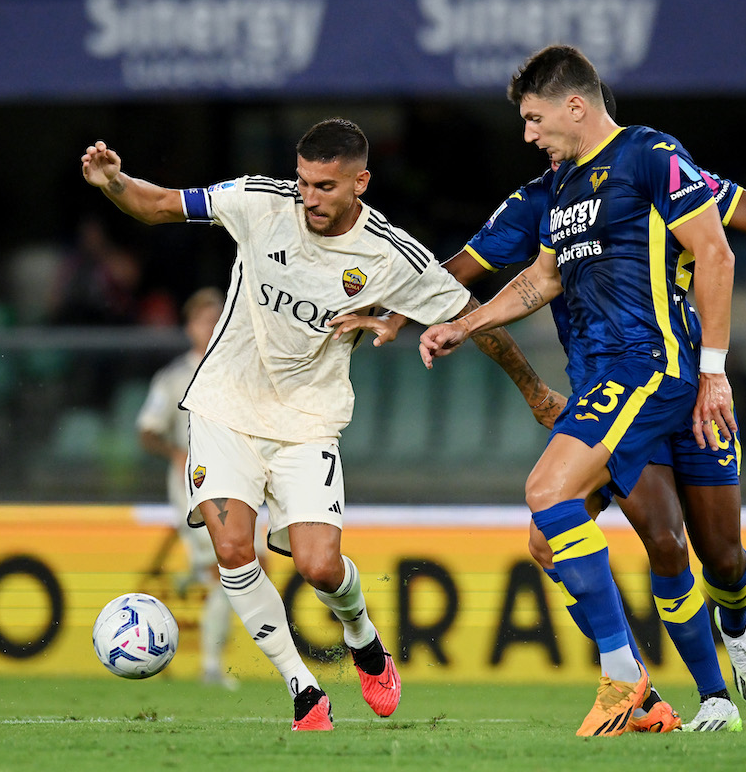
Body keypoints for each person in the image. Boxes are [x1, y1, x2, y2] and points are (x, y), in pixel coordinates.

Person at [81, 118, 479, 730]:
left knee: (320, 566)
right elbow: (157, 204)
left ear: (360, 183)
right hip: (223, 406)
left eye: (324, 186)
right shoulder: (260, 201)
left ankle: (363, 637)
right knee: (234, 553)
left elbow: (462, 304)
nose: (309, 197)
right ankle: (304, 691)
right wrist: (114, 183)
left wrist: (534, 393)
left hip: (308, 421)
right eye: (303, 182)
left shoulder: (388, 254)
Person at [417, 46, 740, 737]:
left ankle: (627, 672)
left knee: (551, 494)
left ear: (575, 105)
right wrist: (463, 323)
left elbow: (716, 251)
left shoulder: (651, 153)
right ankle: (686, 699)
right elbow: (543, 280)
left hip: (649, 365)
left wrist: (713, 370)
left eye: (534, 120)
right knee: (548, 537)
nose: (529, 135)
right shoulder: (562, 189)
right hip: (606, 377)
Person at [136, 286, 240, 689]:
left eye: (218, 319)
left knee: (246, 566)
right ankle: (212, 667)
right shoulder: (174, 377)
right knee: (223, 571)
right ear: (189, 327)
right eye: (204, 320)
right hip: (193, 486)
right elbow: (146, 430)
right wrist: (175, 453)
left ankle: (187, 579)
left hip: (236, 481)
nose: (211, 327)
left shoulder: (240, 369)